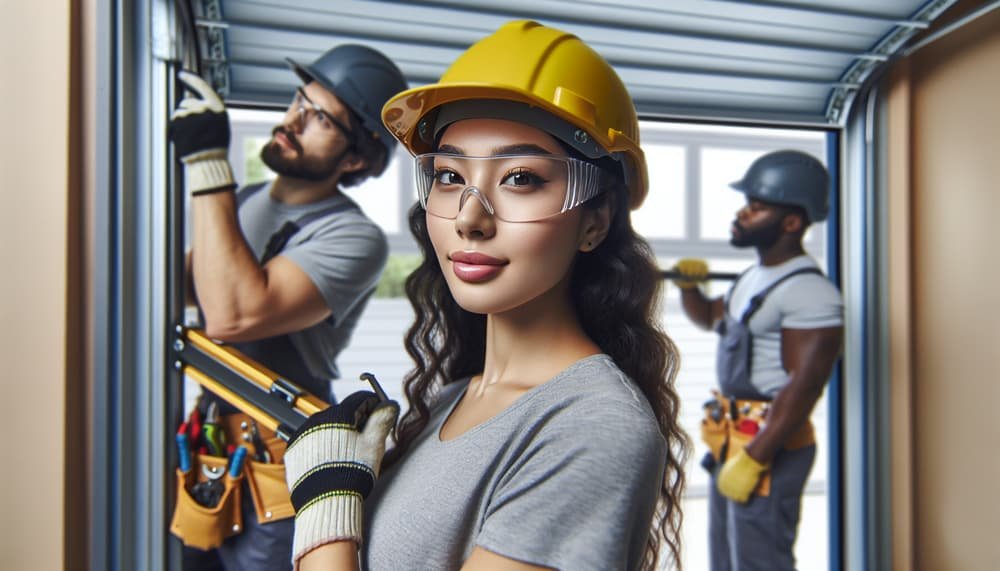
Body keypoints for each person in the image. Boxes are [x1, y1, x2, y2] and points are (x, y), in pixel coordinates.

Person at [281, 20, 689, 571]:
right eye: (449, 176)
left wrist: (326, 521)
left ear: (595, 221)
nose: (470, 218)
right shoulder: (451, 398)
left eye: (520, 178)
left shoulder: (592, 427)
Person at [167, 44, 408, 570]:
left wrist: (208, 163)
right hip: (213, 452)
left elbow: (234, 313)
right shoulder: (247, 200)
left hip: (281, 465)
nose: (293, 119)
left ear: (356, 157)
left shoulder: (353, 236)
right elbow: (185, 287)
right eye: (300, 99)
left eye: (320, 116)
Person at [670, 150, 844, 571]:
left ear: (791, 223)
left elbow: (803, 385)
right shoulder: (754, 276)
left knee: (760, 561)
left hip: (770, 444)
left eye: (757, 206)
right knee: (727, 556)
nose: (742, 213)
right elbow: (715, 320)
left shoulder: (810, 293)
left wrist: (756, 458)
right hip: (734, 436)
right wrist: (690, 291)